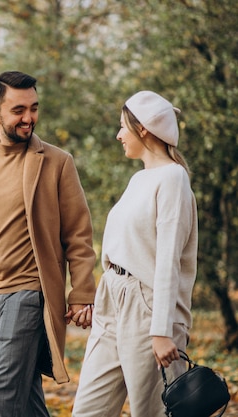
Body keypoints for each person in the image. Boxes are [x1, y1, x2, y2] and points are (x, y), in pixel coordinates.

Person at [0, 70, 97, 417]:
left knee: (3, 397)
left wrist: (82, 292)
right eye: (18, 110)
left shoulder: (57, 163)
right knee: (26, 398)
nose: (28, 118)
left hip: (30, 294)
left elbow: (78, 234)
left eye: (33, 108)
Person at [72, 91, 198, 417]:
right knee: (88, 410)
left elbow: (169, 258)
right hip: (113, 301)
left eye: (122, 127)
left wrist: (161, 331)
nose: (118, 135)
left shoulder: (173, 178)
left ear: (142, 129)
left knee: (153, 412)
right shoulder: (138, 178)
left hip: (148, 307)